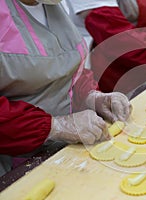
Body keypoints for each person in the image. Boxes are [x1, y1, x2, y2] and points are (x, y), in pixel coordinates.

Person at [0, 0, 131, 177]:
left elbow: (68, 69)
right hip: (14, 167)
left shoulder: (52, 6)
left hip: (62, 153)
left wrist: (91, 96)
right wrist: (54, 126)